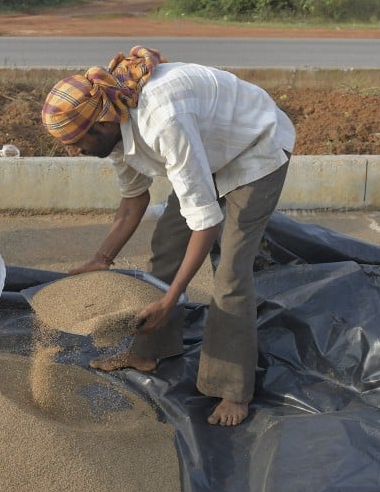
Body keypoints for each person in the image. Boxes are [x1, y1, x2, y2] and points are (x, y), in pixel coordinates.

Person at [40, 46, 294, 427]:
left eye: (77, 143)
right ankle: (148, 350)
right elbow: (133, 200)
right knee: (166, 248)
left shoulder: (163, 122)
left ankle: (233, 389)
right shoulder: (114, 120)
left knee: (230, 276)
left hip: (255, 148)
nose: (75, 152)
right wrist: (102, 258)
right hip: (207, 150)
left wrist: (172, 297)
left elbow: (205, 223)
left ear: (104, 124)